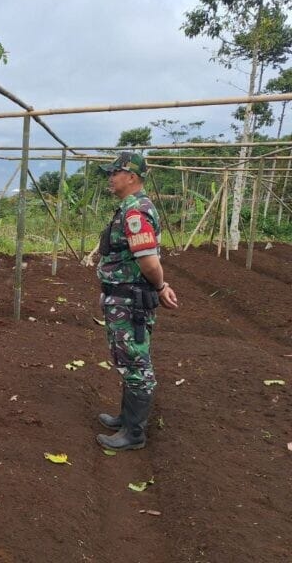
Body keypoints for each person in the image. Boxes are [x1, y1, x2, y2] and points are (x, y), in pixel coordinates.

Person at [95, 152, 178, 451]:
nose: (110, 177)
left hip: (130, 300)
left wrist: (160, 285)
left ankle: (134, 434)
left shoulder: (135, 213)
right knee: (127, 358)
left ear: (131, 177)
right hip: (123, 298)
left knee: (136, 362)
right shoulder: (131, 208)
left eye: (115, 172)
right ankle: (125, 418)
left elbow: (148, 262)